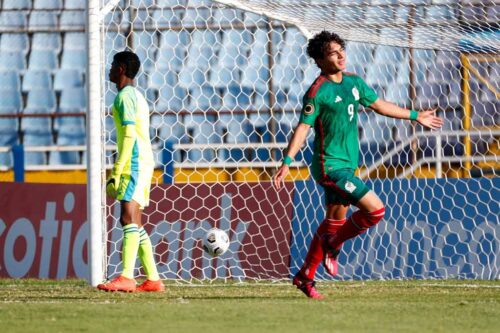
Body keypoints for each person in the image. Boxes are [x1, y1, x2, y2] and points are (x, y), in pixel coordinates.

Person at [273, 31, 443, 299]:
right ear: (320, 59)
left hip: (348, 165)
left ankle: (305, 277)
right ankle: (333, 245)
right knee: (375, 211)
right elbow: (303, 128)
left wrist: (415, 116)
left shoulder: (354, 82)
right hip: (329, 166)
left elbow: (380, 106)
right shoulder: (318, 92)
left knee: (333, 222)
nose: (341, 55)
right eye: (333, 52)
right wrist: (287, 161)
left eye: (342, 50)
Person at [97, 51, 164, 292]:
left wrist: (117, 168)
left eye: (113, 64)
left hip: (134, 163)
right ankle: (154, 279)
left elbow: (128, 134)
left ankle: (126, 276)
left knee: (126, 216)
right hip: (142, 161)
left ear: (122, 68)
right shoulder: (136, 96)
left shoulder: (125, 97)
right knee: (135, 220)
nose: (110, 68)